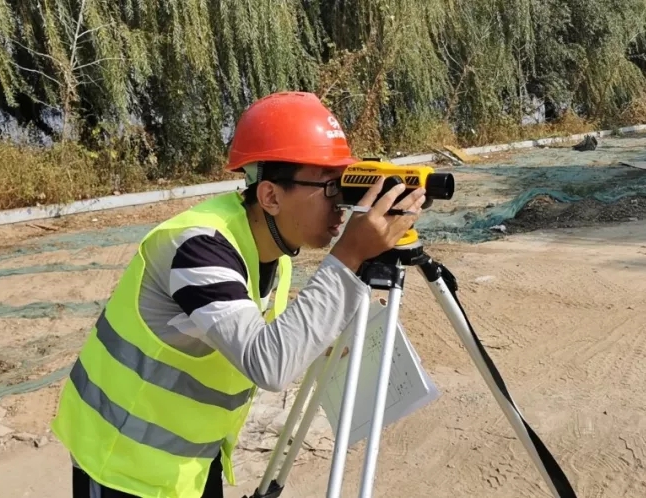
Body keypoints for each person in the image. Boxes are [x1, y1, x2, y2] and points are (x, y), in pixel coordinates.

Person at [50, 91, 427, 498]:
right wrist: (350, 255)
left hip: (189, 463)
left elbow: (257, 335)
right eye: (331, 188)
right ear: (270, 196)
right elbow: (269, 364)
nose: (343, 206)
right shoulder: (197, 247)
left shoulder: (271, 248)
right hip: (122, 462)